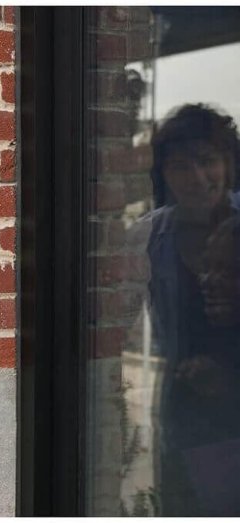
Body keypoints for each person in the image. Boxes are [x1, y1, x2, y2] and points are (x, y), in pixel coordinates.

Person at [145, 103, 240, 515]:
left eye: (207, 161)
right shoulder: (148, 237)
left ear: (229, 164)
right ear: (163, 175)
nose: (198, 178)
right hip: (181, 420)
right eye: (180, 166)